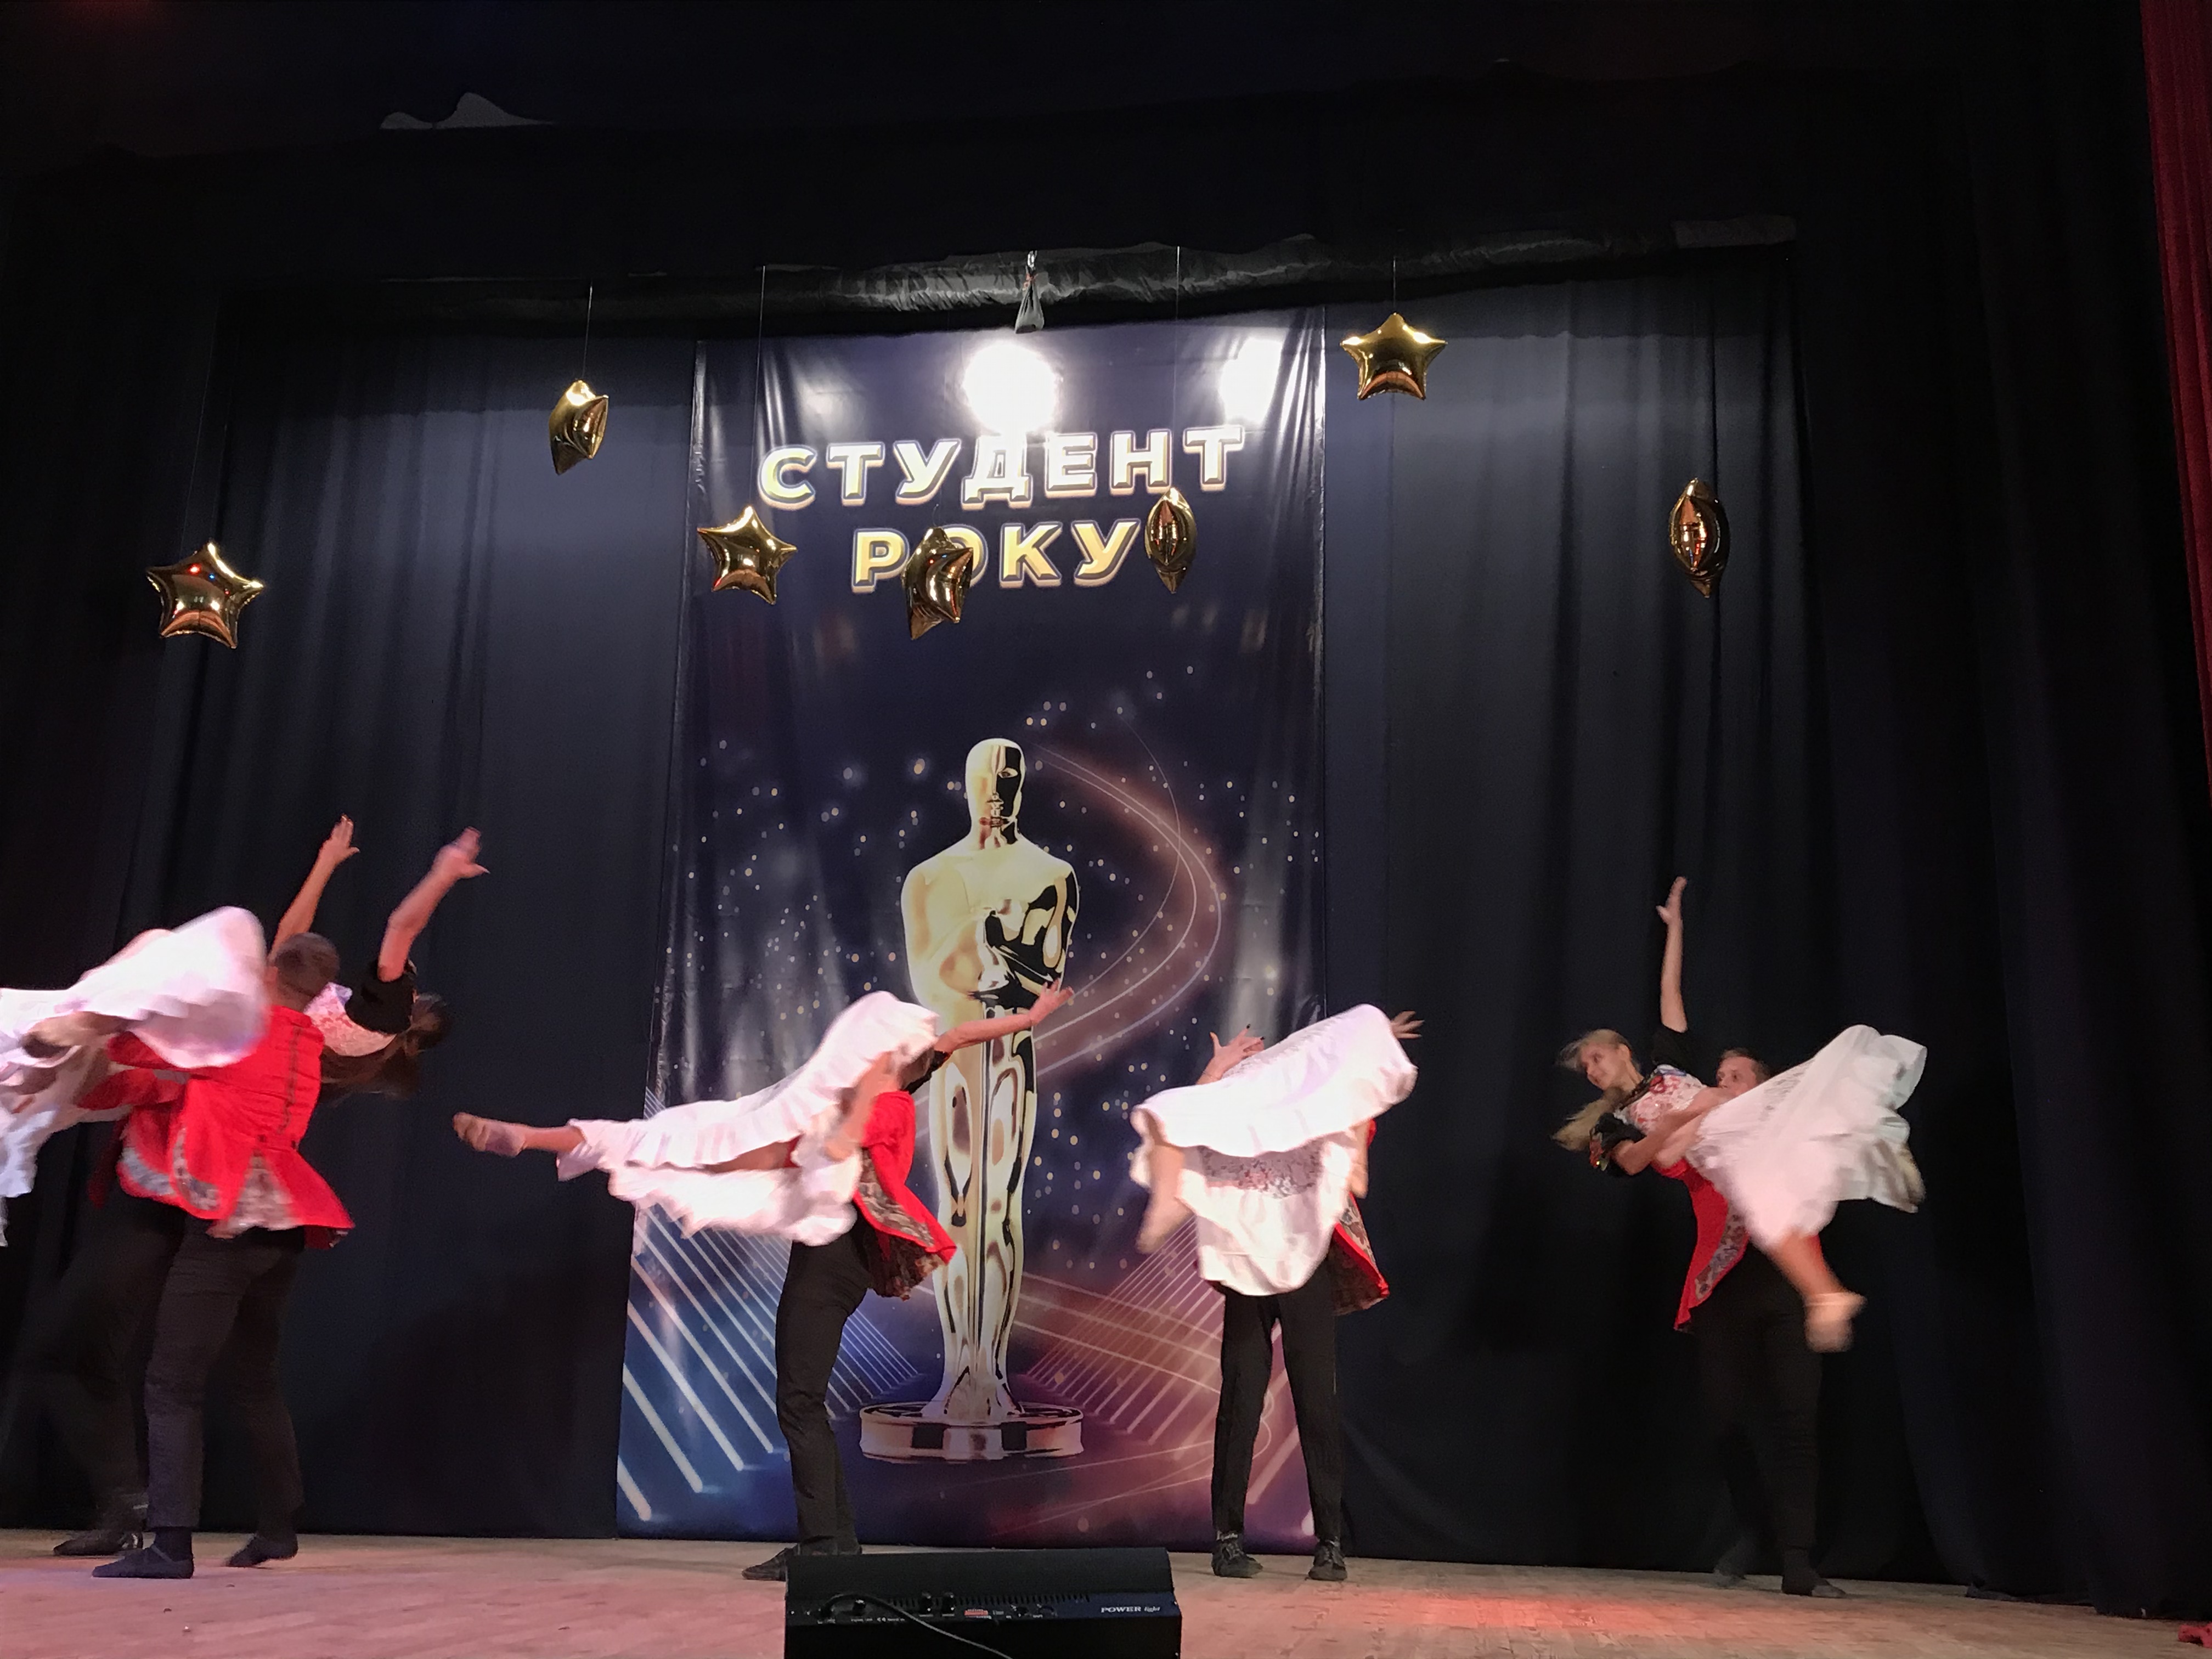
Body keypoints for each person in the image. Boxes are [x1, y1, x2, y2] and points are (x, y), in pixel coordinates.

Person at [453, 984, 1071, 1581]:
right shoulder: (875, 1096)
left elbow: (843, 1142)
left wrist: (867, 1083)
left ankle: (824, 1547)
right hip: (835, 1253)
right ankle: (836, 1544)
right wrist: (1028, 1019)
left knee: (799, 1399)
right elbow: (955, 1038)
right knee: (799, 1391)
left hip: (838, 1255)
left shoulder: (886, 1106)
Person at [1558, 877, 1913, 1598]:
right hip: (1717, 1255)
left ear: (1621, 1050)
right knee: (1725, 1418)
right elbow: (1637, 1162)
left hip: (1758, 1204)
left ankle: (1799, 1559)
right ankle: (1753, 1525)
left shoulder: (1671, 1067)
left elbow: (1672, 997)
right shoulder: (1610, 1127)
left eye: (1596, 1057)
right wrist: (1683, 1119)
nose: (1593, 1070)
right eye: (1585, 1068)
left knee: (1797, 1414)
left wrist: (1675, 927)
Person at [80, 929, 353, 1579]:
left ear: (270, 973)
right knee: (255, 1378)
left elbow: (129, 1049)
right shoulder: (306, 1041)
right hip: (286, 1222)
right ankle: (279, 1526)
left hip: (230, 1218)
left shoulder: (236, 1031)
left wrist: (109, 1011)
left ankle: (171, 1545)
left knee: (172, 1383)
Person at [2, 908, 275, 1557]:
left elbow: (147, 1079)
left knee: (78, 1355)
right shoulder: (194, 1039)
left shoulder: (227, 1048)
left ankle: (142, 1509)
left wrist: (72, 1058)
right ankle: (128, 1505)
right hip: (156, 1202)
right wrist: (63, 1069)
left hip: (175, 1210)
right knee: (80, 1356)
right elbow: (119, 1083)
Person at [1129, 1003, 1419, 1583]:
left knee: (1317, 1395)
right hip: (1247, 1252)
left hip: (1303, 1253)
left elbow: (1355, 1140)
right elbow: (1190, 1119)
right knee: (1242, 1392)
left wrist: (1373, 1037)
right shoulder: (1242, 1095)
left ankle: (1330, 1542)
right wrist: (1217, 1069)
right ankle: (1227, 1539)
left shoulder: (1330, 1100)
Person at [276, 817, 481, 1098]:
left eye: (416, 995)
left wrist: (442, 876)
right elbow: (288, 947)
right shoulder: (362, 1057)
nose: (411, 990)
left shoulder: (387, 1018)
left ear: (414, 1007)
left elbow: (402, 928)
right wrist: (327, 862)